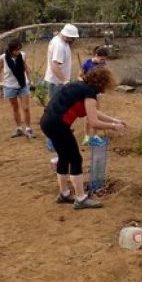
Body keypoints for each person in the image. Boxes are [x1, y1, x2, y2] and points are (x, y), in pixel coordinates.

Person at [39, 67, 127, 210]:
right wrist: (113, 126)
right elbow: (93, 122)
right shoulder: (89, 93)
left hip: (47, 122)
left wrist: (114, 120)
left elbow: (93, 111)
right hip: (58, 125)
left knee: (64, 157)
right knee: (75, 159)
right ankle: (80, 199)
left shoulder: (79, 86)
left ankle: (64, 194)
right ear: (102, 82)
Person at [0, 40, 35, 139]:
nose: (18, 51)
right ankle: (18, 128)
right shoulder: (3, 58)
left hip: (23, 84)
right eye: (16, 50)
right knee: (15, 108)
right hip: (9, 86)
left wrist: (30, 80)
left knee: (26, 108)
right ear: (11, 50)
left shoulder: (22, 55)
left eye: (19, 49)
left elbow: (25, 67)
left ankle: (28, 128)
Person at [79, 46, 109, 146]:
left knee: (96, 113)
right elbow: (79, 76)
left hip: (97, 92)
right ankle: (87, 136)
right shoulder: (87, 63)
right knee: (88, 114)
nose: (103, 61)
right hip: (87, 92)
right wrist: (83, 80)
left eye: (104, 59)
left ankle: (95, 135)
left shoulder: (103, 65)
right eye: (101, 59)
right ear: (96, 55)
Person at [44, 23, 78, 100]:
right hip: (57, 83)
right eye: (72, 38)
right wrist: (65, 81)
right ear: (67, 35)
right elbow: (55, 66)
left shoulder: (60, 40)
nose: (73, 40)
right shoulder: (59, 46)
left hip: (58, 82)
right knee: (57, 106)